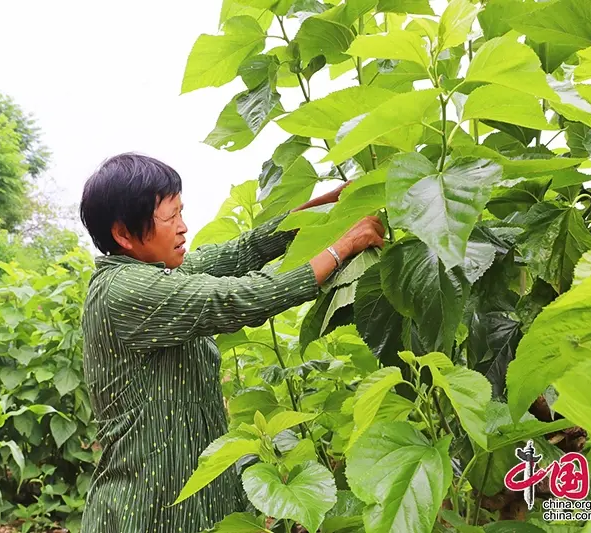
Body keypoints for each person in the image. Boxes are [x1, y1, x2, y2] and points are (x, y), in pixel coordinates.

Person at [78, 152, 384, 533]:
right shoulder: (124, 290)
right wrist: (341, 248)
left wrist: (328, 204)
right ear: (123, 233)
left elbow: (244, 251)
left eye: (181, 213)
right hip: (146, 509)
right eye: (170, 218)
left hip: (193, 501)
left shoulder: (160, 272)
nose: (183, 227)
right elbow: (238, 299)